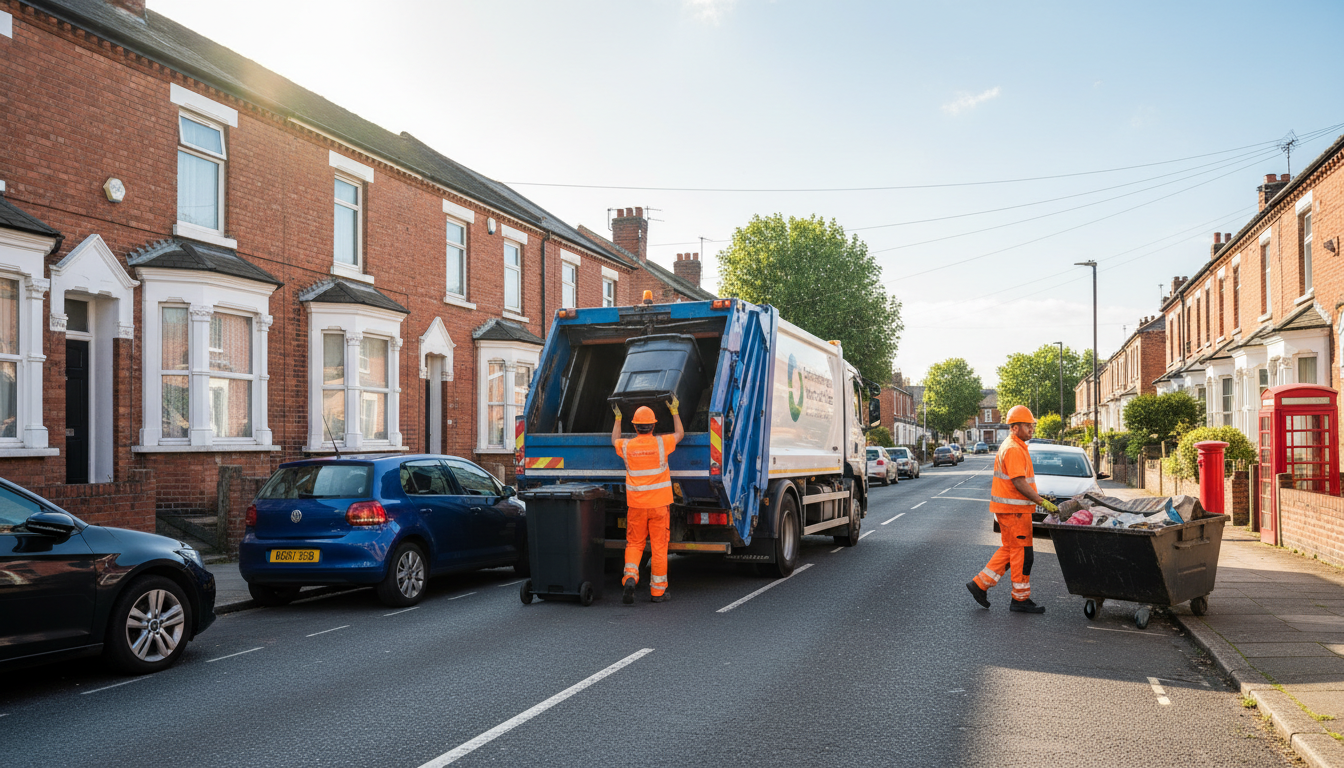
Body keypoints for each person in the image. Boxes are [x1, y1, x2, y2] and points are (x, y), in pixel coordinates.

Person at [965, 405, 1058, 614]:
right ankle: (1020, 599)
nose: (1031, 429)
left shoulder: (1014, 445)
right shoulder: (1014, 449)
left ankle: (979, 584)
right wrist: (1041, 501)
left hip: (1011, 510)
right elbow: (1018, 482)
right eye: (1027, 426)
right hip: (1015, 512)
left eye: (1032, 425)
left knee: (1011, 550)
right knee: (1023, 554)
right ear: (1014, 427)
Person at [611, 396, 684, 605]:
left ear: (634, 427)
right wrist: (675, 411)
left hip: (636, 505)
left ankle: (631, 578)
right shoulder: (662, 443)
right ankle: (658, 592)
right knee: (659, 547)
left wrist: (617, 418)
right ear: (653, 425)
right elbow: (680, 434)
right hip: (659, 506)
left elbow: (613, 440)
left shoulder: (627, 447)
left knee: (634, 543)